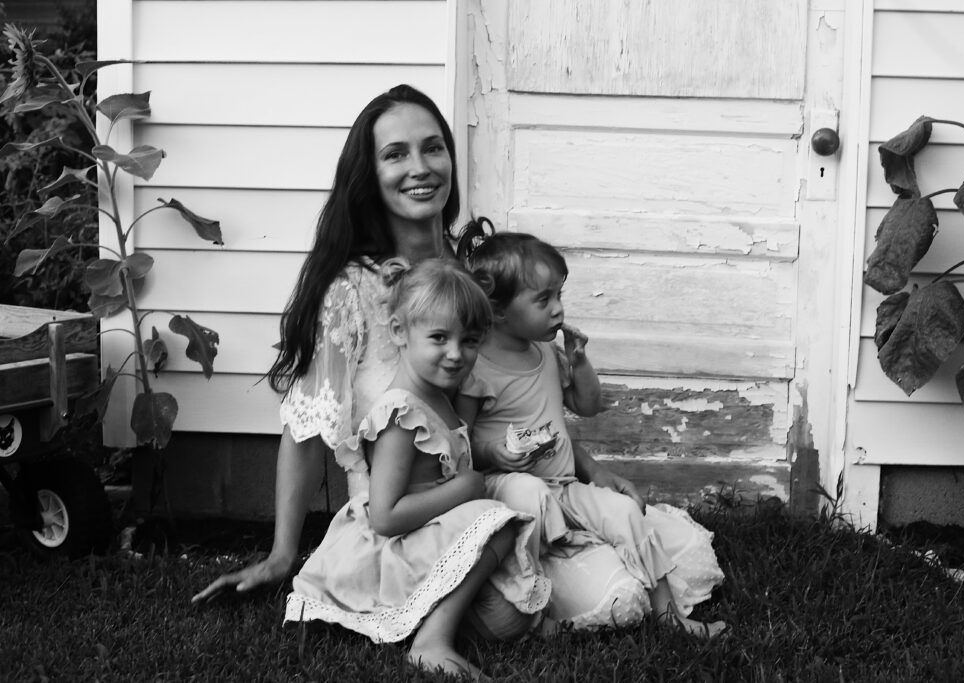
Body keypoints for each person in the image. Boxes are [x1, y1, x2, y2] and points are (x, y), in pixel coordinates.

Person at [191, 83, 656, 633]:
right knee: (529, 612)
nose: (420, 167)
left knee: (628, 592)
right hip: (413, 523)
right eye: (396, 154)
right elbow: (304, 429)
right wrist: (281, 553)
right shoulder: (352, 292)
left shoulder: (475, 273)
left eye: (433, 148)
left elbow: (519, 400)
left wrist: (592, 468)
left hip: (507, 493)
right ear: (370, 174)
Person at [456, 220, 727, 638]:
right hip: (508, 489)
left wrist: (579, 363)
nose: (558, 309)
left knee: (624, 512)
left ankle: (669, 615)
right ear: (497, 311)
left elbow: (587, 405)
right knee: (529, 496)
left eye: (558, 295)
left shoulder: (546, 353)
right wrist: (496, 452)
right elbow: (462, 442)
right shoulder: (476, 368)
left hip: (563, 486)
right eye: (543, 299)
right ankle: (530, 609)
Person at [284, 259, 549, 678]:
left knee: (507, 590)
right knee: (497, 520)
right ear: (398, 333)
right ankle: (432, 642)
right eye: (439, 338)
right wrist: (466, 489)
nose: (456, 354)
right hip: (395, 549)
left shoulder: (441, 398)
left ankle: (459, 621)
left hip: (430, 537)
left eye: (470, 341)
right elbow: (385, 517)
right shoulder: (399, 415)